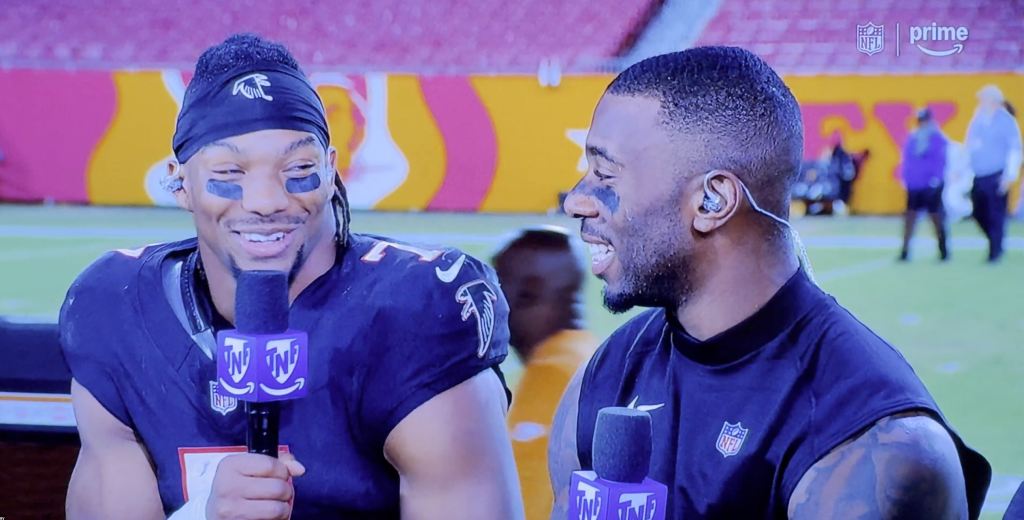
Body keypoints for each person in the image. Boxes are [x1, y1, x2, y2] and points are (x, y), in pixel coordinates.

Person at [60, 33, 525, 520]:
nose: (266, 200)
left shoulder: (413, 311)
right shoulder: (117, 309)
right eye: (229, 172)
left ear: (330, 169)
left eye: (298, 167)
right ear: (180, 182)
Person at [547, 46, 992, 520]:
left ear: (713, 200)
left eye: (605, 174)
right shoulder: (605, 376)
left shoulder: (870, 448)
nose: (577, 201)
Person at [491, 226, 598, 520]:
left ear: (529, 293)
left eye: (497, 287)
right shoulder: (587, 358)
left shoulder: (551, 377)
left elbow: (519, 509)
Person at [966, 84, 1022, 263]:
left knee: (995, 214)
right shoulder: (978, 119)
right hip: (979, 173)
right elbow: (970, 145)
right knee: (978, 212)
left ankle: (995, 250)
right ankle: (993, 241)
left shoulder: (1006, 121)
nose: (981, 101)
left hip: (996, 174)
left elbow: (1014, 150)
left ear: (994, 101)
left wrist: (1009, 177)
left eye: (984, 98)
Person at [898, 108, 950, 262]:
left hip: (930, 185)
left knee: (936, 218)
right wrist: (906, 178)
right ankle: (905, 251)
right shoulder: (913, 137)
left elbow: (940, 160)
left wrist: (936, 179)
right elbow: (907, 161)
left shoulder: (937, 138)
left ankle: (943, 250)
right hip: (914, 184)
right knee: (910, 219)